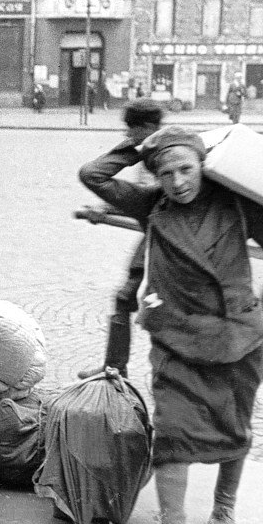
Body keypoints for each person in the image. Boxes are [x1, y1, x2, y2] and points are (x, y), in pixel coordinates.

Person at [79, 126, 263, 524]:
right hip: (176, 334)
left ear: (204, 165)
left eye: (186, 169)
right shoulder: (149, 204)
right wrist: (139, 148)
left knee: (234, 424)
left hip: (236, 334)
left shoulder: (237, 201)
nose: (177, 182)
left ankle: (224, 505)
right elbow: (93, 175)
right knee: (172, 429)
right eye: (166, 173)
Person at [77, 98, 165, 380]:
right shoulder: (152, 156)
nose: (128, 137)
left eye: (132, 130)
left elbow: (93, 174)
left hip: (166, 243)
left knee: (145, 304)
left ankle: (120, 367)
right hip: (154, 236)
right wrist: (106, 209)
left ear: (149, 127)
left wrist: (139, 147)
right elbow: (144, 197)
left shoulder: (163, 155)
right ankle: (114, 366)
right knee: (125, 298)